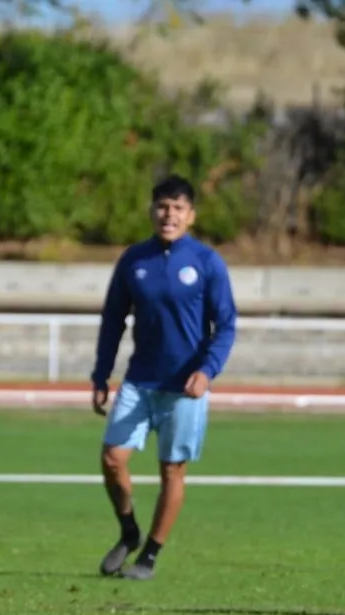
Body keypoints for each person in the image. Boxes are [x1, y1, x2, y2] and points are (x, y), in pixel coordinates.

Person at [90, 174, 238, 581]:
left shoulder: (207, 262)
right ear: (151, 211)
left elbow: (226, 325)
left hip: (185, 388)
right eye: (161, 206)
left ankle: (149, 557)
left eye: (177, 208)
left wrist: (207, 371)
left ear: (191, 215)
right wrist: (101, 374)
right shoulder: (134, 260)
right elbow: (113, 320)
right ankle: (129, 532)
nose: (168, 214)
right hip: (139, 381)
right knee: (112, 459)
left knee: (172, 471)